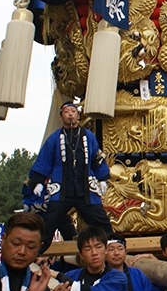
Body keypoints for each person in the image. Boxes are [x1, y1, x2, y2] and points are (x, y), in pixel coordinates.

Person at [27, 102, 113, 253]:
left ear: (78, 115)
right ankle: (36, 251)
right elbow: (44, 160)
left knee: (101, 219)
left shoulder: (88, 136)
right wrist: (39, 181)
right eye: (66, 112)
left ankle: (112, 245)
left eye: (73, 111)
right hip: (61, 189)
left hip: (85, 188)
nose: (70, 115)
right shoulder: (54, 138)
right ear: (61, 117)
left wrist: (102, 178)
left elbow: (97, 158)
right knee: (50, 218)